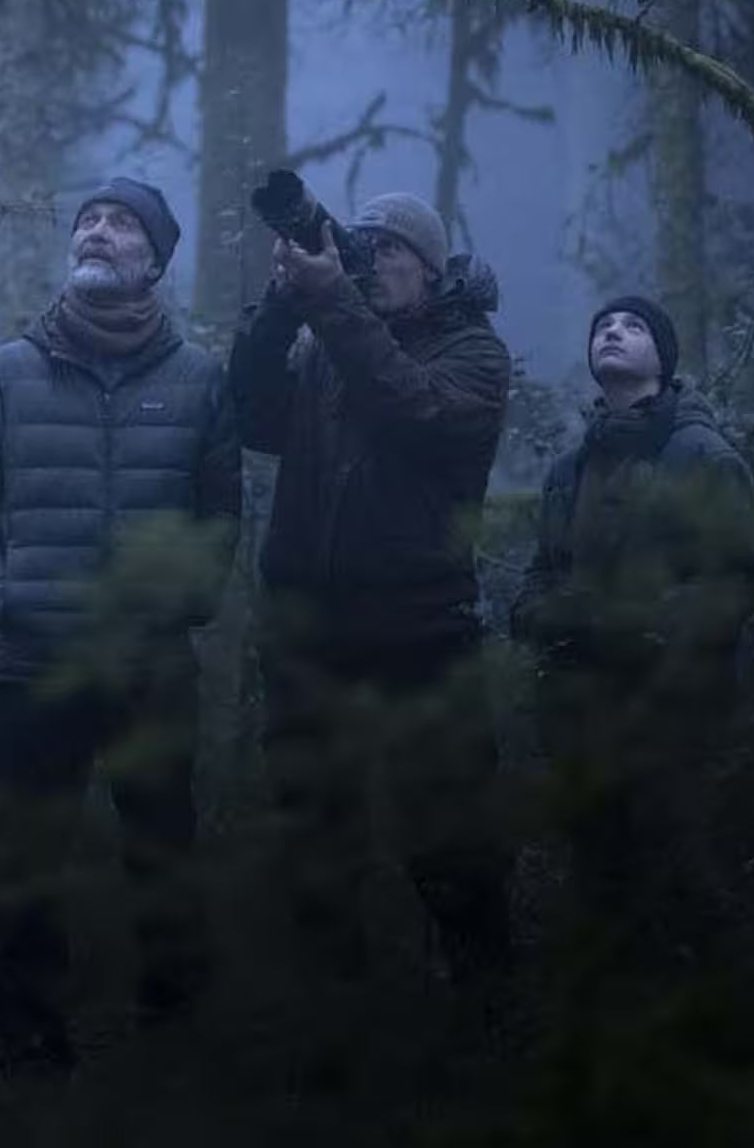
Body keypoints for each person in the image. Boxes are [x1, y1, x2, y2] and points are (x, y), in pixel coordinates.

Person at [0, 175, 241, 1074]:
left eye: (121, 224)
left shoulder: (198, 380)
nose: (99, 232)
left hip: (153, 668)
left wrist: (189, 596)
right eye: (89, 220)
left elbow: (220, 510)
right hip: (31, 667)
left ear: (154, 259)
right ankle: (30, 1051)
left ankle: (174, 1042)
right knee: (27, 868)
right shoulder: (4, 373)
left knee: (164, 859)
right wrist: (3, 597)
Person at [231, 191, 514, 992]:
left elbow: (412, 408)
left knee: (451, 841)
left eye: (391, 249)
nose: (373, 261)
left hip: (422, 631)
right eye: (363, 247)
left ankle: (493, 1014)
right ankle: (337, 1034)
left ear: (430, 268)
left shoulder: (474, 352)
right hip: (310, 638)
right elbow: (252, 413)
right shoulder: (331, 343)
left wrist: (331, 303)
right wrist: (285, 305)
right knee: (315, 843)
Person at [509, 295, 754, 968]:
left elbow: (738, 581)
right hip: (579, 716)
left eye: (632, 327)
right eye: (602, 327)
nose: (613, 334)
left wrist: (643, 626)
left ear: (662, 356)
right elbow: (541, 573)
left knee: (686, 879)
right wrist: (539, 616)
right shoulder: (569, 470)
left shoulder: (703, 455)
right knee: (599, 885)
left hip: (674, 716)